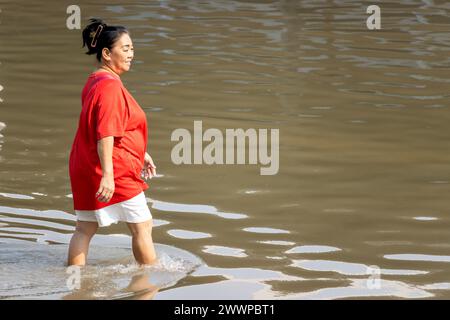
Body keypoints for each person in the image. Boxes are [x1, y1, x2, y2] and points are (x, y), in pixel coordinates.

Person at [67, 18, 157, 266]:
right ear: (106, 53)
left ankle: (75, 285)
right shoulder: (110, 88)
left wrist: (141, 152)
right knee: (142, 226)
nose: (131, 54)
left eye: (132, 48)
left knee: (84, 229)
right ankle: (149, 282)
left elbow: (109, 127)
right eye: (125, 49)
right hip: (112, 169)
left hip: (84, 164)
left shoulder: (95, 81)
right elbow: (105, 133)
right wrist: (108, 175)